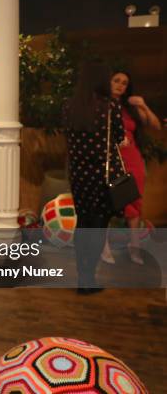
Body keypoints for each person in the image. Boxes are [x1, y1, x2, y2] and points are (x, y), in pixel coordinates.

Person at [64, 61, 126, 293]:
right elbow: (119, 137)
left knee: (83, 222)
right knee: (98, 224)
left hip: (79, 174)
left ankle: (82, 277)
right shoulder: (110, 107)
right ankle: (89, 278)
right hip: (102, 174)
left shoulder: (69, 106)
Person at [101, 71, 162, 265]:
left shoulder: (129, 107)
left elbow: (156, 126)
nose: (120, 85)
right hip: (112, 158)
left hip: (133, 158)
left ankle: (134, 248)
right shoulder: (101, 104)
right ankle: (104, 247)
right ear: (108, 81)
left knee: (135, 202)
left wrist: (143, 105)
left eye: (124, 83)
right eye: (116, 81)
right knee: (110, 202)